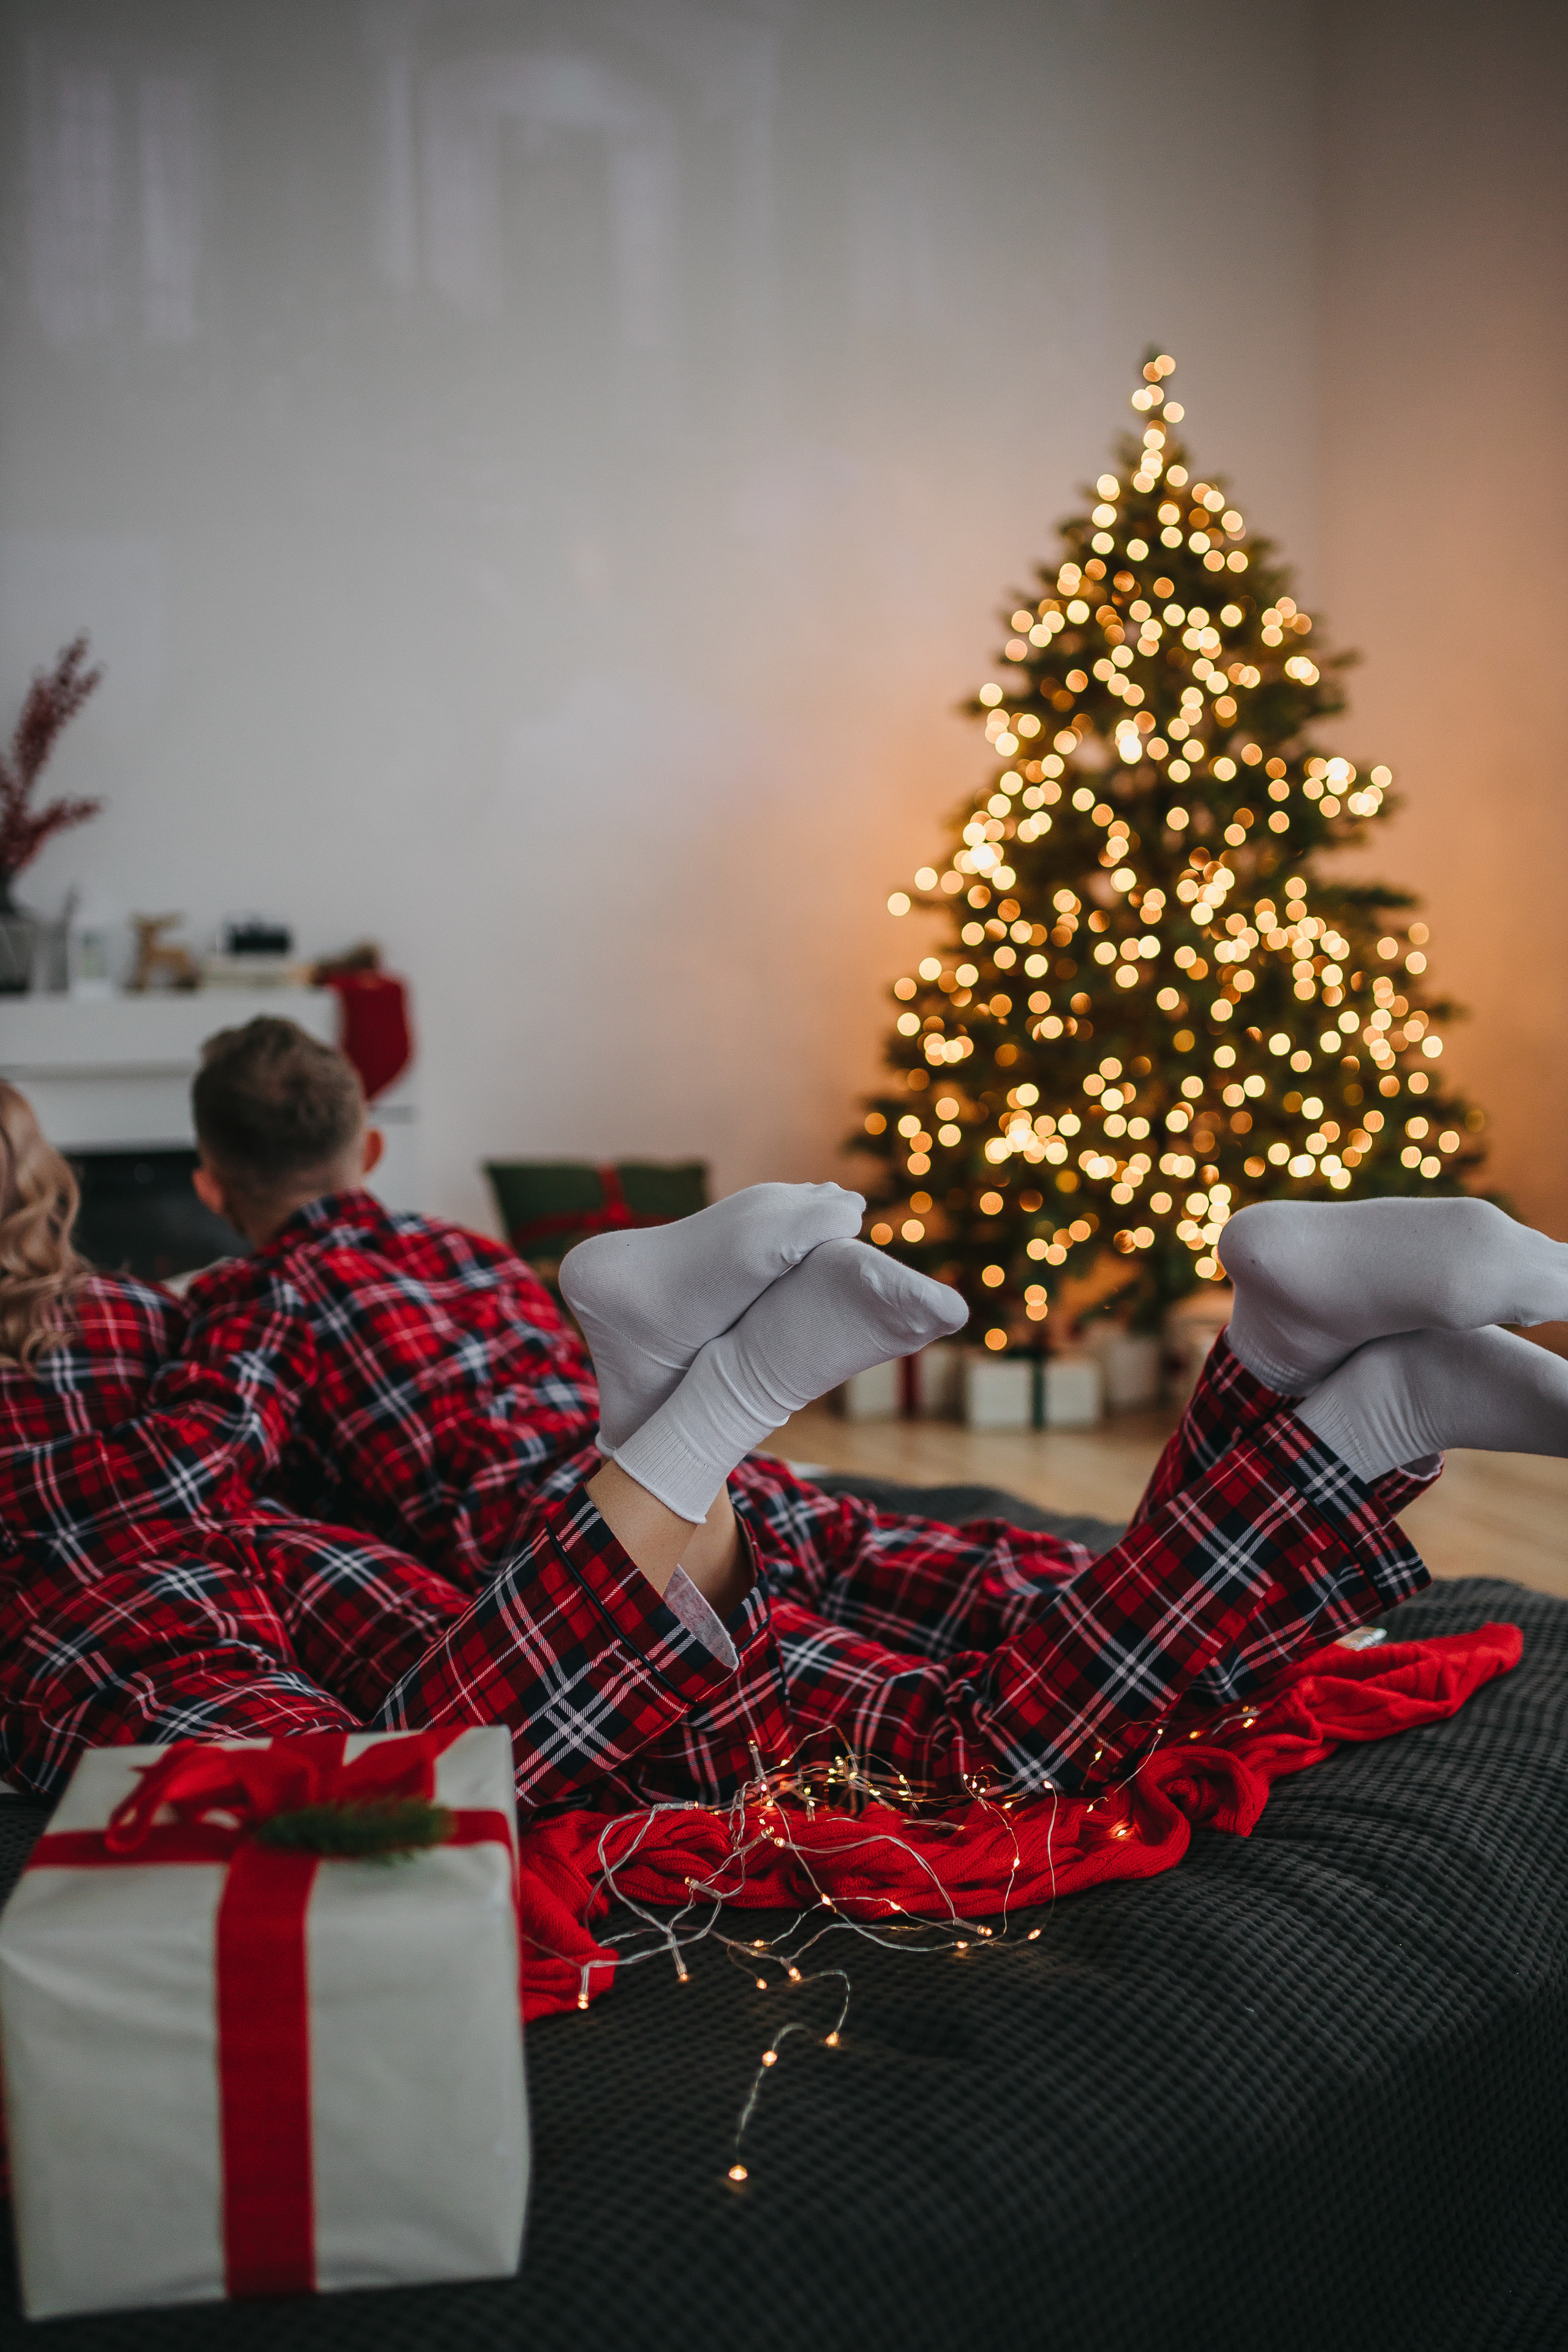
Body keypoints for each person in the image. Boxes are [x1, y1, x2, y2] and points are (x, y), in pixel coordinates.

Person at [5, 1026, 1568, 1817]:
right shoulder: (459, 1249)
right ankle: (1319, 1360)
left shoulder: (244, 1299)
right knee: (1028, 1596)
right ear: (377, 1138)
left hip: (577, 1553)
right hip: (753, 1494)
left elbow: (196, 1487)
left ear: (211, 1190)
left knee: (980, 1746)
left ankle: (1354, 1397)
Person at [0, 1079, 470, 1795]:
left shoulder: (144, 1312)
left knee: (287, 1772)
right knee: (490, 1677)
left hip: (109, 1601)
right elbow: (239, 1445)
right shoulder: (144, 1310)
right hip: (250, 1549)